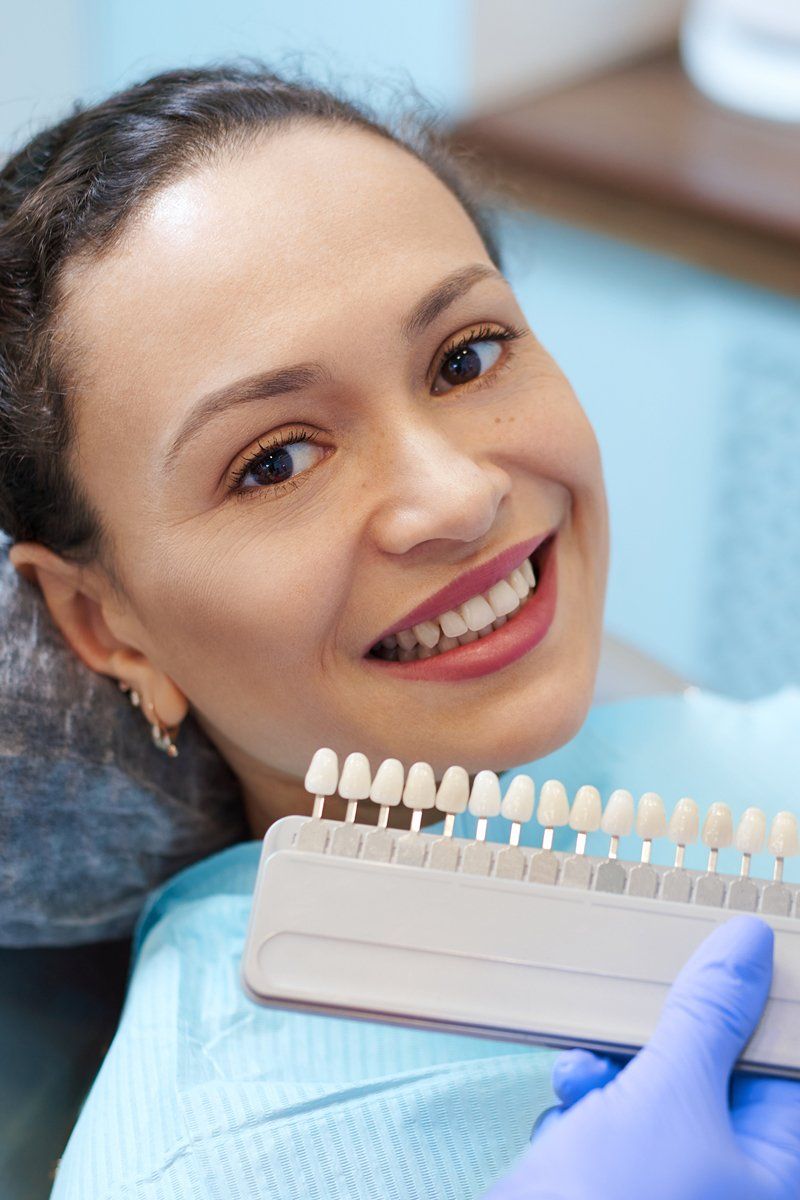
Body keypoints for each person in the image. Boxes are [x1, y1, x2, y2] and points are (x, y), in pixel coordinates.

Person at [1, 61, 797, 1199]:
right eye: (274, 461)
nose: (457, 498)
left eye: (465, 357)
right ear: (103, 622)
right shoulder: (205, 1163)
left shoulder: (683, 753)